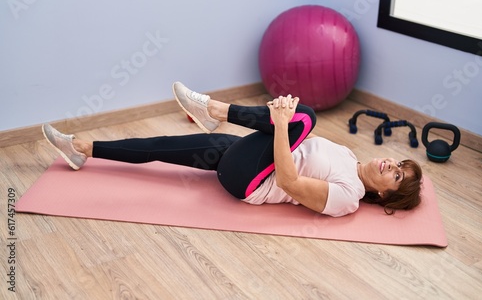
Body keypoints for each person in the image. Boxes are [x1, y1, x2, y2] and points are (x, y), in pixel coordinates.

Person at [42, 82, 422, 217]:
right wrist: (280, 122)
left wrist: (283, 123)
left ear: (384, 193)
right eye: (399, 164)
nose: (391, 164)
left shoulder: (349, 197)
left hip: (252, 181)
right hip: (243, 157)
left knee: (303, 118)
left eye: (396, 174)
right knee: (162, 146)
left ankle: (213, 109)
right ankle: (81, 149)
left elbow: (289, 181)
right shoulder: (349, 157)